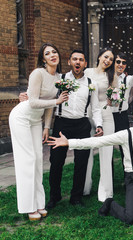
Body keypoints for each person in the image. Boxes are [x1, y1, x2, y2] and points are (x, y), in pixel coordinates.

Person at [9, 43, 68, 220]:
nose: (52, 55)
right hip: (21, 117)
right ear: (43, 59)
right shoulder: (37, 73)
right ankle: (28, 207)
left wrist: (46, 127)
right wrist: (57, 102)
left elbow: (49, 106)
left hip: (36, 121)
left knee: (38, 160)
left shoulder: (59, 77)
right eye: (47, 53)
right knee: (27, 160)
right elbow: (33, 102)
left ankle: (39, 203)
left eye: (54, 52)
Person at [45, 50, 103, 209]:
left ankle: (76, 197)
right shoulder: (60, 79)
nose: (78, 62)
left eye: (81, 60)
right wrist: (47, 127)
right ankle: (54, 196)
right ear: (70, 61)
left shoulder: (91, 83)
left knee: (81, 162)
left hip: (82, 125)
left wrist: (99, 125)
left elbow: (96, 108)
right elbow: (49, 102)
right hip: (62, 124)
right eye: (75, 59)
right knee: (56, 162)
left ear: (85, 63)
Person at [83, 48, 115, 202]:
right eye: (106, 57)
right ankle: (85, 188)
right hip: (87, 114)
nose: (108, 60)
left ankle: (106, 191)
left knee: (106, 151)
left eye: (111, 59)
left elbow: (117, 97)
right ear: (100, 56)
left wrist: (113, 99)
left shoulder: (110, 76)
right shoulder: (87, 71)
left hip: (105, 113)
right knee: (86, 151)